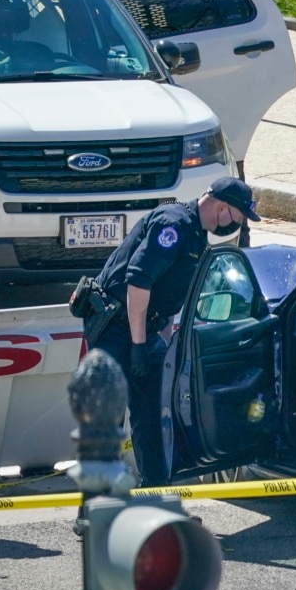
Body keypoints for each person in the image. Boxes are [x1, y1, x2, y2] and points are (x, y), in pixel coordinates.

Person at [80, 177, 260, 486]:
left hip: (141, 330)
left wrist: (157, 339)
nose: (237, 227)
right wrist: (138, 344)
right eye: (238, 219)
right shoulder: (173, 225)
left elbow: (168, 294)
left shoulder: (195, 235)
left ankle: (154, 499)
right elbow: (138, 281)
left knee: (149, 419)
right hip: (115, 327)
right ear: (221, 207)